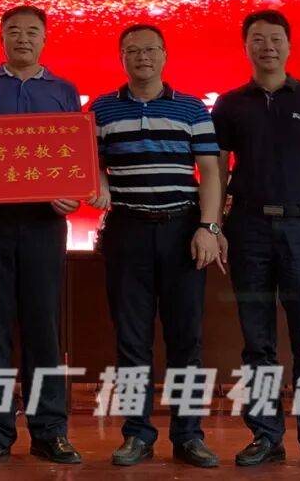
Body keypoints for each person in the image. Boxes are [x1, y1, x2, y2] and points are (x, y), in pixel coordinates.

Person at [211, 10, 300, 473]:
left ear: (289, 46)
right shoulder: (230, 104)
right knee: (257, 342)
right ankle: (265, 436)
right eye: (257, 39)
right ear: (246, 47)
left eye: (275, 38)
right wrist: (215, 225)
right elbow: (216, 168)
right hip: (247, 230)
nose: (267, 46)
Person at [0, 5, 83, 466]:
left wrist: (73, 193)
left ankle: (50, 430)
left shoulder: (64, 90)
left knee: (43, 327)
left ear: (44, 40)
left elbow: (74, 154)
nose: (23, 38)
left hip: (44, 224)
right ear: (1, 38)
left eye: (31, 31)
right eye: (14, 31)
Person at [88, 24, 223, 468]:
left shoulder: (191, 107)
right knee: (131, 340)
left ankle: (189, 435)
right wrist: (99, 182)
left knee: (187, 340)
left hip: (183, 230)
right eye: (133, 51)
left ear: (165, 55)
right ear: (121, 58)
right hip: (126, 229)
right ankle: (137, 434)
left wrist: (208, 227)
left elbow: (210, 170)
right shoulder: (101, 109)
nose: (142, 57)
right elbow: (89, 163)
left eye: (150, 50)